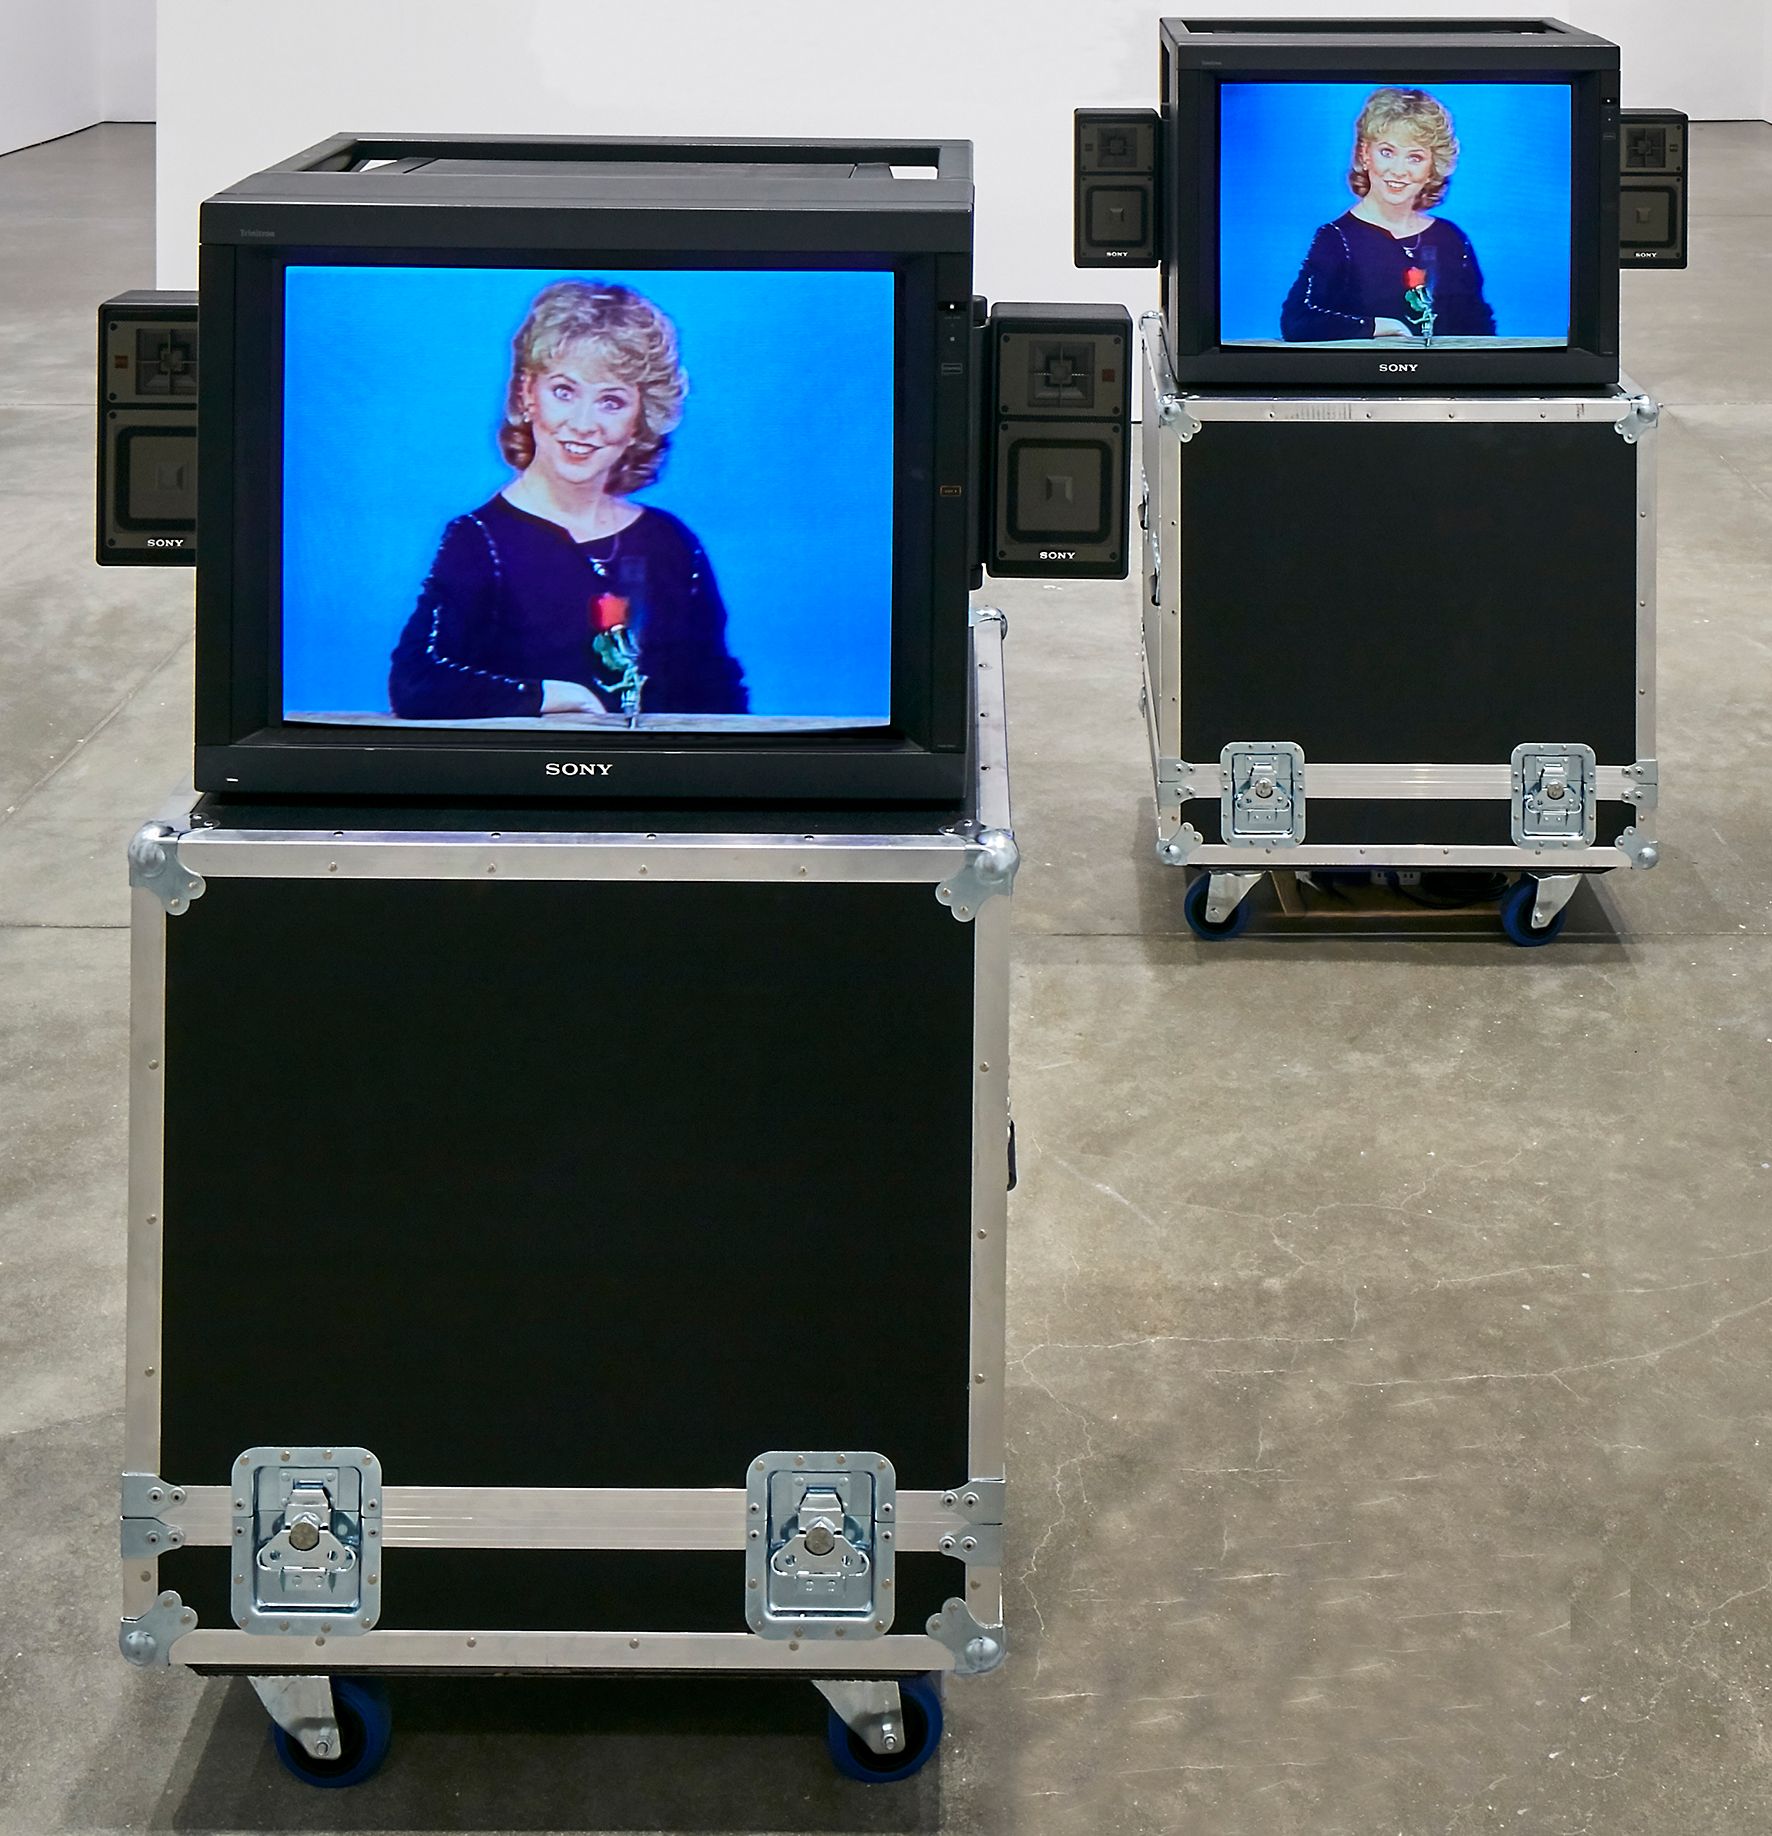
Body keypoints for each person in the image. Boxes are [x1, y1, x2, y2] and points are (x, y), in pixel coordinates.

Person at [389, 279, 747, 720]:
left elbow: (721, 699)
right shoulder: (478, 542)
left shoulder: (671, 543)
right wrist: (549, 696)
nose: (582, 423)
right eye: (564, 391)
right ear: (527, 395)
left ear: (640, 420)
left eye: (611, 401)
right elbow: (416, 683)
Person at [1279, 87, 1495, 344]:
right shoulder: (1337, 239)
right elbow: (1298, 321)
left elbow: (1480, 329)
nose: (1398, 170)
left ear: (1432, 169)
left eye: (1415, 157)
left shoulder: (1451, 238)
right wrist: (1377, 326)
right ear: (1365, 155)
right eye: (1387, 152)